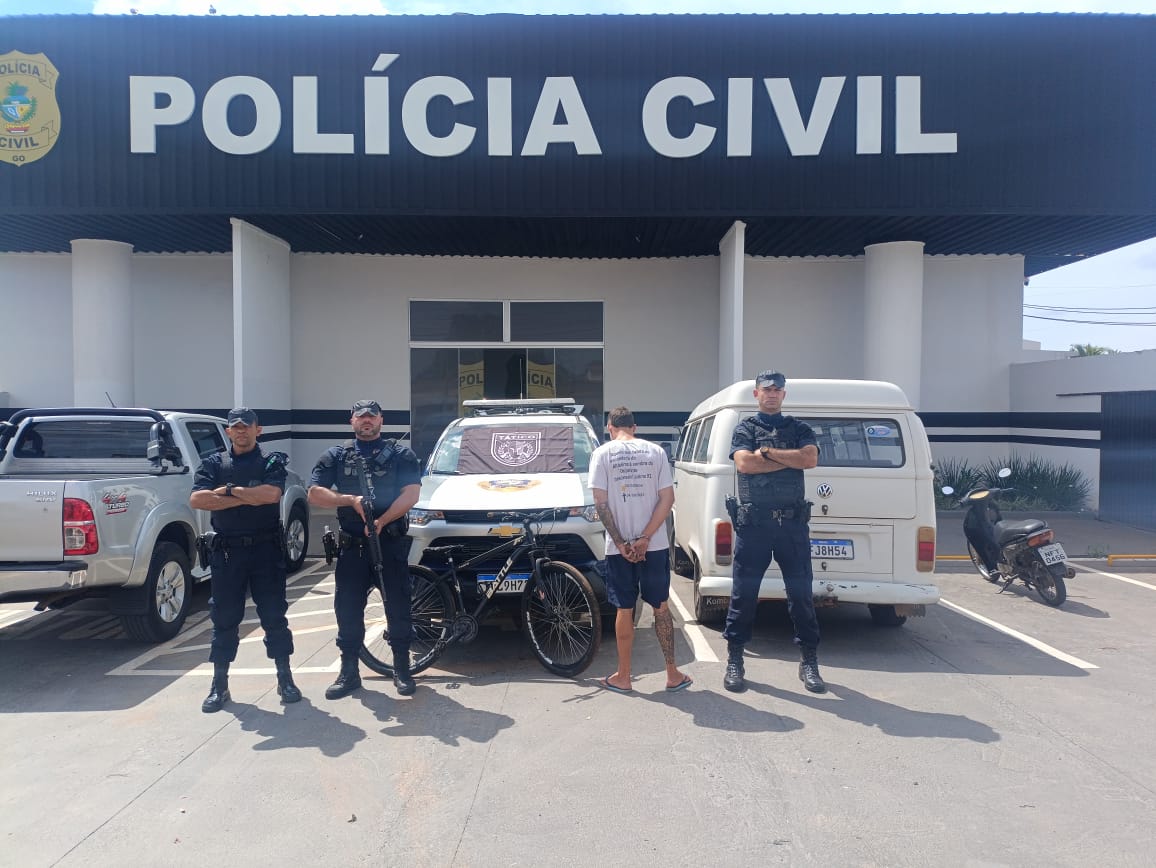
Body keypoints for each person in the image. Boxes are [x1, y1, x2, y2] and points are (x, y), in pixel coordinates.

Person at [308, 399, 422, 699]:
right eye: (361, 417)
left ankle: (401, 669)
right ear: (352, 421)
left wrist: (383, 520)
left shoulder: (401, 454)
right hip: (353, 548)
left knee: (398, 606)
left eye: (372, 416)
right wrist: (350, 500)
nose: (366, 420)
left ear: (381, 420)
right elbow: (315, 494)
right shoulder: (336, 455)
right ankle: (349, 673)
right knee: (347, 610)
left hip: (389, 543)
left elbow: (411, 494)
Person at [722, 370, 827, 694]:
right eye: (766, 389)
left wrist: (767, 453)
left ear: (784, 394)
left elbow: (810, 458)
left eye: (777, 389)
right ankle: (735, 661)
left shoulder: (799, 428)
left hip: (791, 526)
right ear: (756, 394)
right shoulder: (745, 429)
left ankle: (809, 662)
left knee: (801, 596)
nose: (771, 393)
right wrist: (789, 460)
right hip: (755, 525)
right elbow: (744, 464)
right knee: (743, 596)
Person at [189, 407, 300, 713]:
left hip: (266, 550)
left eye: (246, 426)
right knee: (224, 619)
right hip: (227, 552)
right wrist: (247, 495)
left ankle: (285, 679)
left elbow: (270, 495)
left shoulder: (271, 461)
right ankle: (219, 685)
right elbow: (198, 499)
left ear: (257, 430)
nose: (241, 431)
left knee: (274, 616)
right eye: (235, 427)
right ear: (228, 431)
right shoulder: (213, 463)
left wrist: (227, 492)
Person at [590, 406, 692, 694]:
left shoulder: (602, 454)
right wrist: (645, 537)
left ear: (610, 428)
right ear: (634, 428)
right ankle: (672, 674)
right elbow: (667, 499)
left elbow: (600, 503)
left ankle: (623, 676)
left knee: (624, 608)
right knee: (661, 606)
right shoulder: (656, 452)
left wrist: (621, 543)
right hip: (654, 546)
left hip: (618, 549)